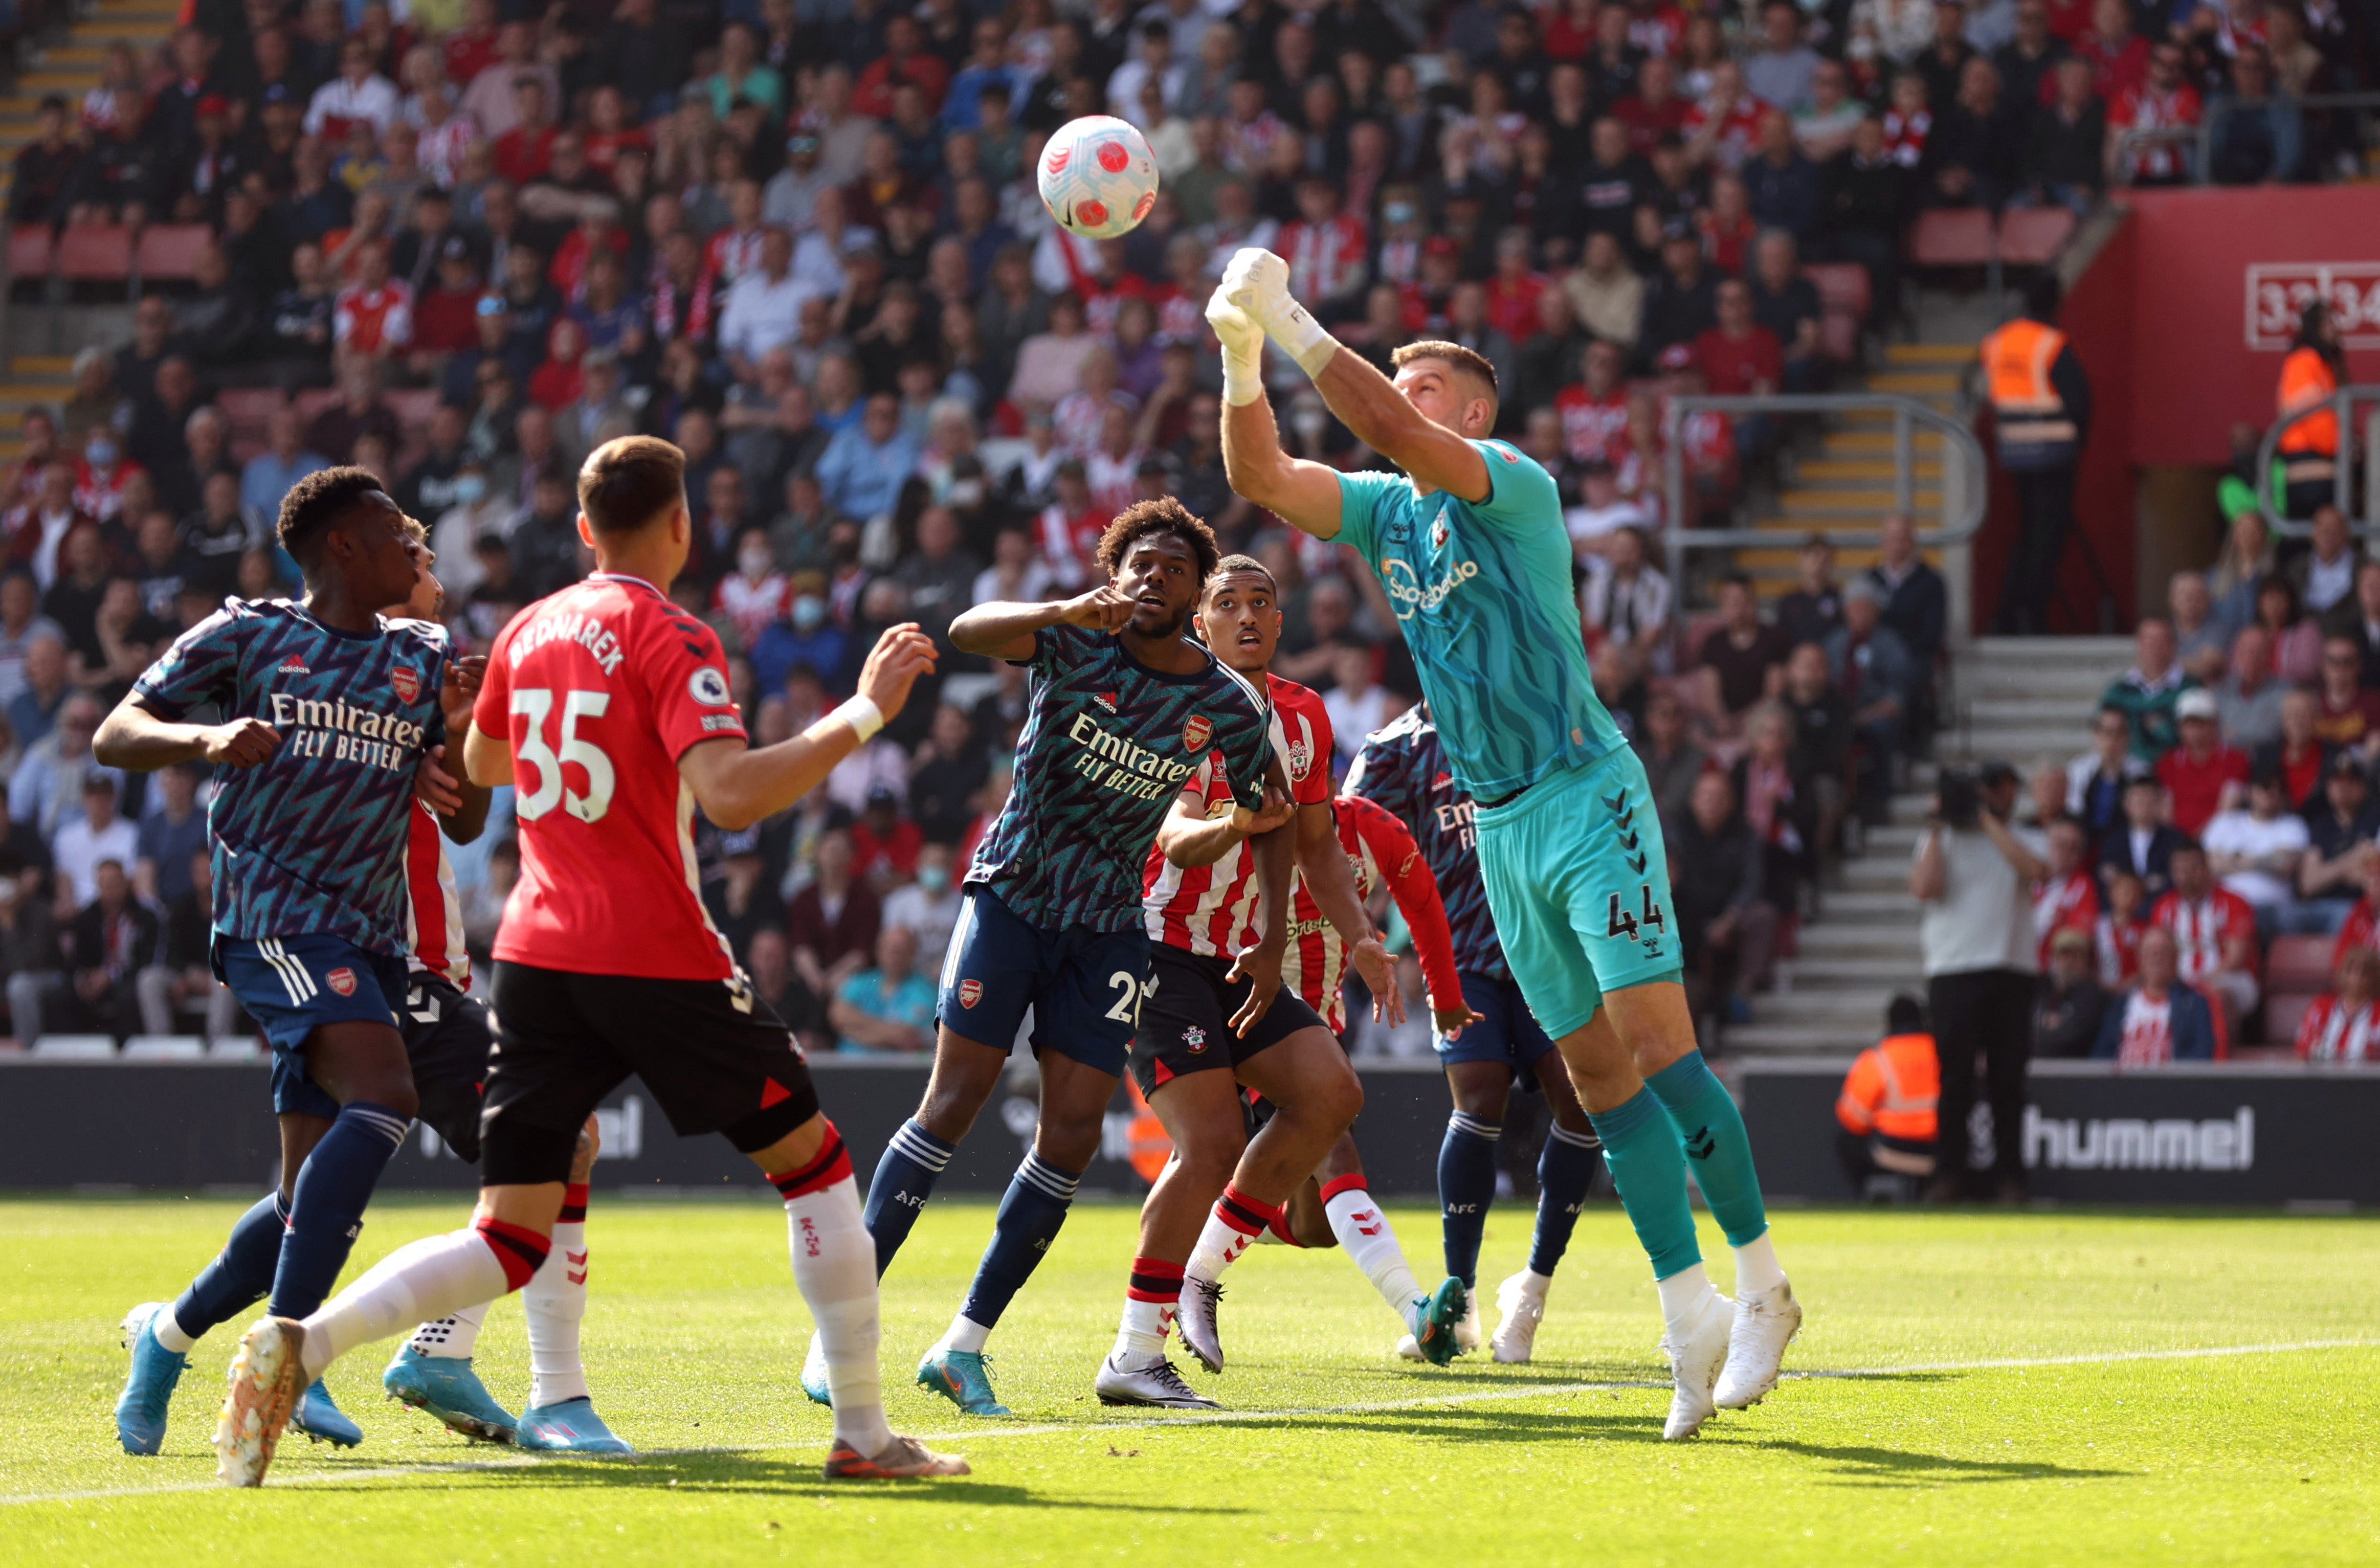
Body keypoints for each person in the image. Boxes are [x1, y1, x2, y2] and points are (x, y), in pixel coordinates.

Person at [206, 438, 962, 1486]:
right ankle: (866, 1436)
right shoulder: (671, 631)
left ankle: (305, 1341)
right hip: (653, 950)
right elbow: (734, 793)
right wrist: (865, 710)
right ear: (683, 526)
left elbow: (482, 765)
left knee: (511, 1231)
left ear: (581, 530)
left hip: (536, 955)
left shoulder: (530, 626)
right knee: (816, 1165)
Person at [1210, 251, 1800, 1439]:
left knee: (1652, 1048)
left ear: (1470, 417)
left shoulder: (1508, 483)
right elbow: (1261, 476)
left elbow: (1375, 419)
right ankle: (1687, 1310)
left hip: (1587, 790)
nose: (1394, 398)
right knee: (1588, 1075)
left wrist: (1288, 317)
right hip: (1498, 820)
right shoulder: (1383, 511)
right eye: (1399, 385)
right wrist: (1237, 351)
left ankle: (1762, 1285)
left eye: (1419, 388)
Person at [847, 499, 1280, 1421]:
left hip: (1110, 925)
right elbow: (964, 631)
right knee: (953, 1101)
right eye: (1138, 564)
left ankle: (963, 1345)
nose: (1152, 577)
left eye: (1172, 567)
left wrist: (1272, 931)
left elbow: (1269, 811)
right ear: (1112, 575)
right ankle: (844, 1323)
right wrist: (1056, 612)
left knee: (1072, 1136)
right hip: (1012, 895)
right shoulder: (1073, 643)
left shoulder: (1224, 704)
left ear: (1194, 591)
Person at [97, 468, 468, 1458]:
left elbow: (464, 818)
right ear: (344, 547)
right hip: (271, 920)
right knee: (385, 1096)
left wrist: (461, 743)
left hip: (371, 936)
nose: (414, 551)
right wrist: (205, 733)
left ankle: (168, 1341)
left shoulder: (423, 655)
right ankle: (287, 1360)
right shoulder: (249, 636)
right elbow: (115, 732)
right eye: (396, 534)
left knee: (307, 1197)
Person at [1110, 556, 1427, 1405]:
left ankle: (1201, 1276)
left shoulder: (1305, 714)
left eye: (1262, 603)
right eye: (1227, 603)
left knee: (1330, 1093)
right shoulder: (1168, 704)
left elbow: (1319, 845)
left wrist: (1359, 935)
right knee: (1205, 1144)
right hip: (1153, 946)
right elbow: (1172, 832)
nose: (1246, 616)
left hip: (1238, 957)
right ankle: (1132, 1353)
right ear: (1198, 623)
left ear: (1282, 625)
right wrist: (1225, 824)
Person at [1342, 699, 1606, 1364]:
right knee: (1480, 1096)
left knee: (1578, 1103)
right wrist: (1356, 925)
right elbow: (1343, 844)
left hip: (1551, 948)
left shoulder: (1536, 719)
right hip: (1461, 956)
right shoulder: (1394, 748)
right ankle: (1457, 1297)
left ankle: (1533, 1289)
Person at [1910, 762, 2044, 1203]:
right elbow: (1924, 888)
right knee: (1955, 1080)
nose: (1994, 795)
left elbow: (2034, 870)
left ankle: (2011, 1178)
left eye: (2001, 789)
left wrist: (1986, 820)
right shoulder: (1941, 841)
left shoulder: (2024, 837)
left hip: (2010, 968)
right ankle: (1949, 1174)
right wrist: (1936, 827)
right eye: (1987, 790)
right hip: (1953, 968)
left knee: (2008, 1079)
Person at [1977, 274, 2091, 635]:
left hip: (2013, 452)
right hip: (2053, 453)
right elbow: (2080, 401)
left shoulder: (1996, 343)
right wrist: (2078, 444)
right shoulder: (2051, 343)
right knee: (2045, 539)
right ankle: (2028, 614)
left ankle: (2008, 614)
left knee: (2027, 535)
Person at [2151, 839, 2259, 1032]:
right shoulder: (2164, 907)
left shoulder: (2234, 903)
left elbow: (2235, 959)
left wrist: (2198, 984)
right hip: (2178, 982)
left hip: (2229, 978)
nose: (2186, 877)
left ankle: (2219, 1057)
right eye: (2179, 870)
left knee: (2217, 996)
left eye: (2192, 869)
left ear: (2206, 868)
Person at [1834, 996, 1938, 1196]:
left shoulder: (1878, 1058)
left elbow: (1854, 1120)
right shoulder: (1943, 1052)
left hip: (1892, 1151)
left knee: (1845, 1141)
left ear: (1889, 1024)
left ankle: (1872, 1198)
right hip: (1941, 1152)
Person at [2201, 770, 2315, 937]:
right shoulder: (2225, 822)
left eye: (2279, 789)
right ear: (2250, 791)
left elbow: (2284, 865)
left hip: (2273, 909)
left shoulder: (2292, 824)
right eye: (2266, 787)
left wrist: (2236, 858)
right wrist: (2265, 861)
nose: (2272, 793)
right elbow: (2209, 866)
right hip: (2226, 907)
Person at [2093, 925, 2218, 1063]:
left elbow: (2203, 1052)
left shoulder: (2194, 1004)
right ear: (2139, 959)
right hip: (2124, 1082)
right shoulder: (2120, 1004)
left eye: (2163, 953)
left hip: (2172, 1083)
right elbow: (2102, 1054)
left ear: (2175, 959)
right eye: (2151, 953)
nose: (2156, 960)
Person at [2274, 300, 2346, 521]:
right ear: (2315, 326)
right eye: (2328, 322)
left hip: (2324, 462)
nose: (2335, 328)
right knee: (2309, 539)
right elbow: (2302, 408)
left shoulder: (2325, 364)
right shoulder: (2304, 359)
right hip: (2307, 465)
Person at [828, 925, 937, 1054]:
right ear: (878, 951)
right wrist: (887, 1033)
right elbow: (837, 1015)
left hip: (895, 1069)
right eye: (889, 950)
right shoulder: (861, 981)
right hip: (847, 1067)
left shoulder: (926, 991)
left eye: (901, 951)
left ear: (913, 954)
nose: (895, 957)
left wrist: (853, 1030)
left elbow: (907, 1036)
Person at [2155, 688, 2248, 837]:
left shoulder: (2235, 759)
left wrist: (2196, 841)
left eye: (2202, 723)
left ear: (2215, 724)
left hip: (2219, 840)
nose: (2195, 730)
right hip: (2177, 843)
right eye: (2189, 723)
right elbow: (2166, 812)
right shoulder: (2168, 762)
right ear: (2179, 727)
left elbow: (2227, 811)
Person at [2099, 617, 2189, 761]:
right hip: (2129, 773)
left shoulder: (2190, 688)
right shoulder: (2118, 691)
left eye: (2162, 640)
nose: (2155, 647)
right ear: (2139, 643)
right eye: (2149, 640)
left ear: (2173, 645)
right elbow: (2104, 733)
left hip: (2178, 771)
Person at [2097, 773, 2184, 902]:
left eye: (2150, 800)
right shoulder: (2112, 841)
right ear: (2126, 805)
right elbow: (2106, 874)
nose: (2144, 806)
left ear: (2160, 803)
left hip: (2161, 906)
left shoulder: (2175, 840)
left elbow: (2176, 878)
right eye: (2139, 801)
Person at [2067, 703, 2147, 840]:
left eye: (2119, 733)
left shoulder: (2141, 772)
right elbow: (2074, 810)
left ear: (2128, 737)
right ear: (2096, 734)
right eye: (2107, 732)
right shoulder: (2078, 769)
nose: (2113, 740)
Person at [2034, 927, 2110, 1059]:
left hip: (2076, 1072)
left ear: (2085, 961)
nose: (2069, 962)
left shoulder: (2094, 996)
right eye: (2063, 955)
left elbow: (2074, 1038)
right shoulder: (2040, 989)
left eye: (2075, 956)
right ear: (2055, 959)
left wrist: (2045, 1025)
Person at [2295, 946, 2380, 1062]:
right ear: (2343, 973)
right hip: (2322, 1077)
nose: (2358, 977)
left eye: (2365, 972)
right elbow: (2302, 1048)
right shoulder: (2321, 1006)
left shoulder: (2378, 1011)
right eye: (2352, 970)